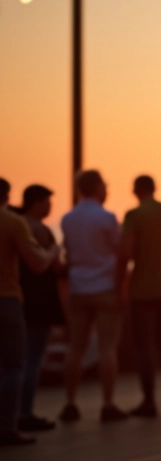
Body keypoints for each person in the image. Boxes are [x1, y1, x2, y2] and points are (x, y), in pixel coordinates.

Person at [60, 170, 128, 423]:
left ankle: (70, 402)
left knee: (75, 347)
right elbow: (120, 253)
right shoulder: (107, 218)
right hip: (105, 287)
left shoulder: (68, 219)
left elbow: (68, 252)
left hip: (78, 287)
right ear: (98, 187)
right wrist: (121, 287)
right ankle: (108, 404)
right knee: (107, 347)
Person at [119, 176, 161, 419]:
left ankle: (149, 400)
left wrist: (120, 283)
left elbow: (126, 252)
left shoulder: (134, 215)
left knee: (144, 345)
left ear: (137, 190)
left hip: (142, 289)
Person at [1, 178, 59, 446]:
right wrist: (51, 252)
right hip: (8, 299)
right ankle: (10, 424)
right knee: (15, 365)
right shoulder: (13, 223)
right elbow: (37, 264)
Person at [16, 185, 65, 433]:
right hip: (40, 302)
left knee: (13, 360)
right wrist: (56, 250)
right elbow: (55, 267)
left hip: (18, 299)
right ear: (36, 203)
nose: (50, 207)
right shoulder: (41, 230)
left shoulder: (16, 224)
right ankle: (25, 412)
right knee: (32, 358)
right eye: (47, 202)